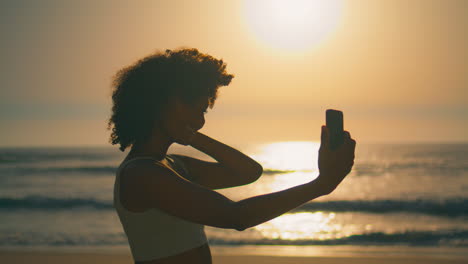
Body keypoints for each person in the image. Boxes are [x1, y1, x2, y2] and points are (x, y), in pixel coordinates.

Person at [107, 48, 356, 264]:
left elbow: (248, 172)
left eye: (203, 110)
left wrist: (192, 136)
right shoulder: (142, 174)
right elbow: (236, 216)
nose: (199, 120)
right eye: (194, 106)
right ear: (159, 102)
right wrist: (321, 185)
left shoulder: (173, 165)